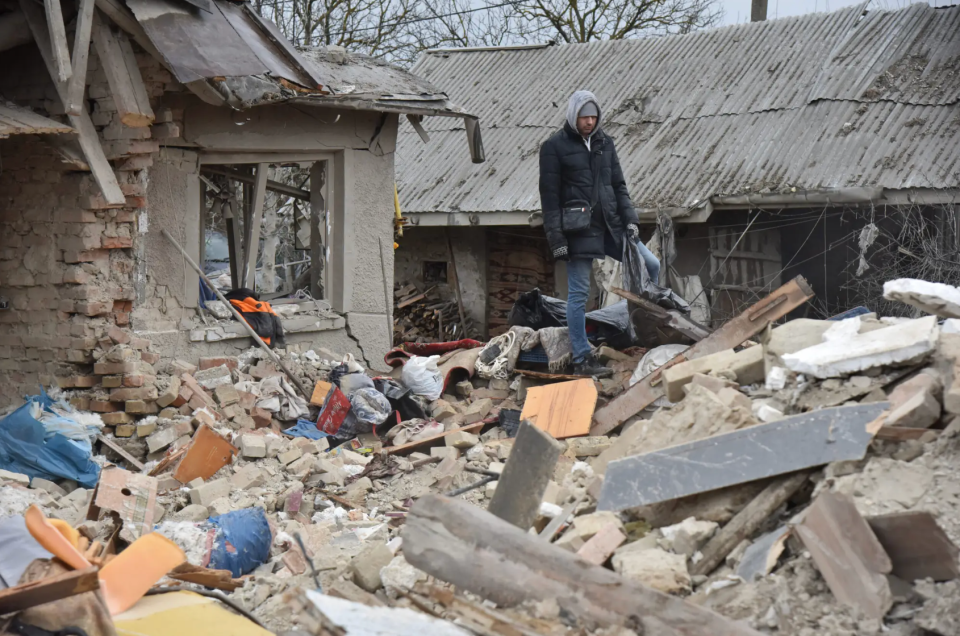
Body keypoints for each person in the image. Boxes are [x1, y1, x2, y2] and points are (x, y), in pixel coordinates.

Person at [539, 90, 661, 377]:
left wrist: (630, 221)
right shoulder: (553, 147)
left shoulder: (606, 143)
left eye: (594, 117)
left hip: (611, 225)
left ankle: (643, 330)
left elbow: (619, 186)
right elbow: (549, 199)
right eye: (585, 117)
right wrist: (557, 240)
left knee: (651, 266)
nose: (590, 122)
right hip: (577, 230)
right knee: (579, 295)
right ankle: (582, 358)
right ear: (573, 117)